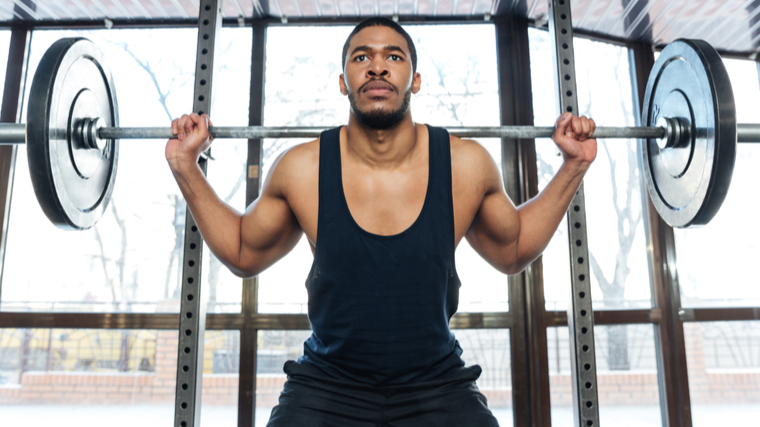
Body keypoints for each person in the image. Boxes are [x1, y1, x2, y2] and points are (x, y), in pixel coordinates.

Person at [166, 17, 596, 427]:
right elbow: (243, 251)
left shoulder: (464, 165)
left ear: (416, 79)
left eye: (393, 57)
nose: (376, 66)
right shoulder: (303, 169)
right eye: (360, 58)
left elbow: (514, 249)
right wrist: (186, 166)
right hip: (328, 385)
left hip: (436, 383)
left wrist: (573, 167)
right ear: (343, 82)